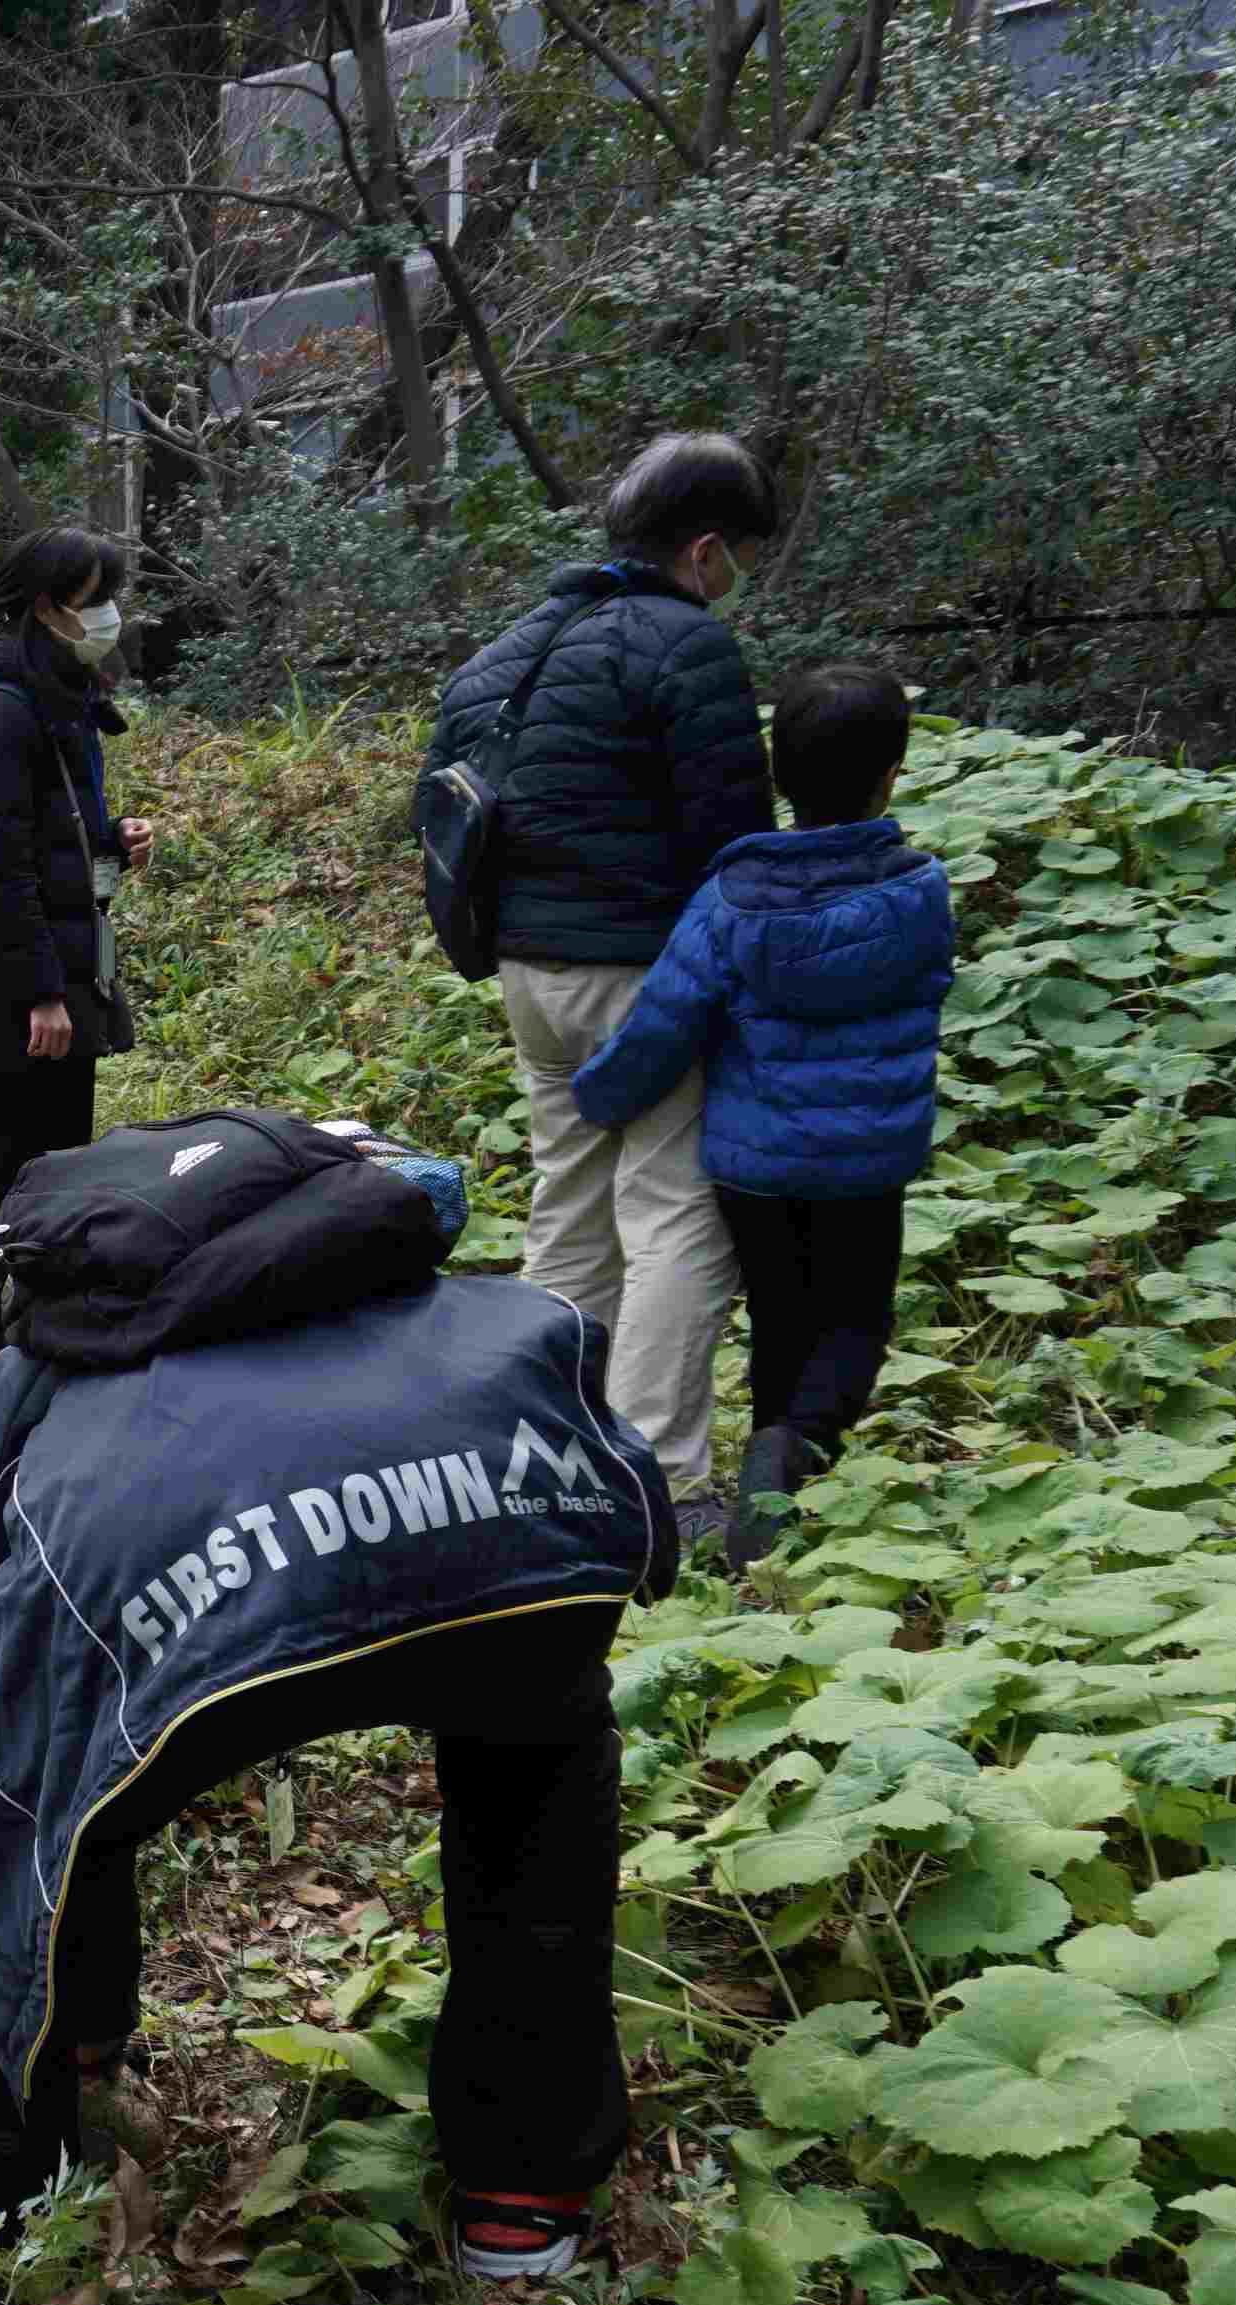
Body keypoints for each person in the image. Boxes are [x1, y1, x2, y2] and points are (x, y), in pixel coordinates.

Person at [0, 1113, 674, 2305]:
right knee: (540, 1745)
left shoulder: (36, 1356)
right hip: (513, 1521)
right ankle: (525, 2189)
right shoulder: (450, 1291)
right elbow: (634, 1506)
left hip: (168, 1572)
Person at [429, 432, 785, 1544]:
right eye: (740, 557)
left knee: (568, 1210)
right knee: (675, 1216)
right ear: (706, 546)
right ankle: (660, 1485)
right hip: (645, 977)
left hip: (530, 976)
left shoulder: (510, 649)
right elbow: (732, 841)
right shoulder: (685, 645)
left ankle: (548, 1456)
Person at [572, 663, 952, 1573]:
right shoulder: (919, 889)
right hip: (869, 1161)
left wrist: (599, 1097)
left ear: (779, 778)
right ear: (892, 773)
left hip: (755, 1162)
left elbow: (666, 1021)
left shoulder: (729, 897)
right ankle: (786, 1465)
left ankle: (770, 1498)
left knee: (783, 1318)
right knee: (854, 1324)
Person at [0, 525, 162, 1373]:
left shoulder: (64, 700)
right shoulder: (3, 714)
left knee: (59, 1160)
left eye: (108, 595)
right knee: (8, 1162)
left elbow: (55, 839)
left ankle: (36, 1326)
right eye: (92, 598)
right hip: (22, 984)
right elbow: (0, 868)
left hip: (65, 968)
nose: (107, 614)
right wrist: (42, 994)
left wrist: (113, 839)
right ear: (47, 606)